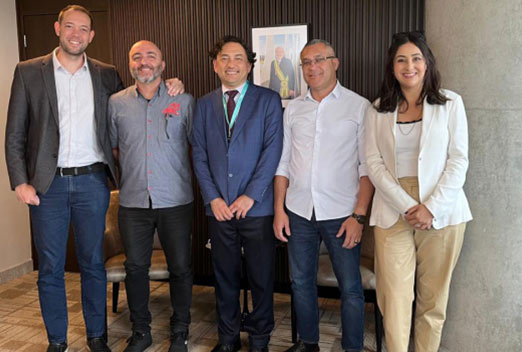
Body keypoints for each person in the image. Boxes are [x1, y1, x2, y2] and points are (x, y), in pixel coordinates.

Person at [4, 6, 182, 352]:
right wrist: (19, 181)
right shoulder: (28, 72)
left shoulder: (106, 74)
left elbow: (136, 102)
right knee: (51, 267)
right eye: (69, 26)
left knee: (93, 265)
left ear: (91, 35)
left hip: (92, 183)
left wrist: (172, 82)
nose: (76, 34)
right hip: (47, 186)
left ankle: (97, 337)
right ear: (58, 28)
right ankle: (57, 341)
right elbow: (14, 133)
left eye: (83, 29)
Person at [364, 31, 472, 352]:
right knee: (394, 296)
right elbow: (373, 163)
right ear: (392, 67)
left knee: (433, 299)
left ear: (426, 64)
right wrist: (408, 205)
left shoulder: (451, 103)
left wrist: (431, 207)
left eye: (415, 58)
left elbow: (458, 160)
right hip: (393, 207)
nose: (408, 66)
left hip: (443, 208)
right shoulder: (377, 109)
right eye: (401, 59)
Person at [273, 39, 373, 352]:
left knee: (351, 288)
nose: (313, 67)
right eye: (306, 62)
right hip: (299, 211)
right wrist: (279, 210)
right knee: (301, 282)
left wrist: (358, 215)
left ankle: (352, 347)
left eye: (320, 60)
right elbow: (283, 162)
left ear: (335, 62)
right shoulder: (293, 109)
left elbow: (367, 166)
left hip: (342, 214)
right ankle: (308, 342)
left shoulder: (358, 106)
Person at [191, 35, 283, 352]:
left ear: (249, 64)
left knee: (261, 279)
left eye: (238, 58)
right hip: (219, 210)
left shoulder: (268, 100)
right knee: (225, 279)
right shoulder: (202, 105)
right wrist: (213, 199)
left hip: (256, 209)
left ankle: (259, 340)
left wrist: (251, 196)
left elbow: (272, 152)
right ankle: (227, 339)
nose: (232, 64)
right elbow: (199, 156)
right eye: (225, 58)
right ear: (216, 65)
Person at [108, 40, 194, 352]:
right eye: (137, 57)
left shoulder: (183, 100)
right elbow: (115, 149)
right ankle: (141, 331)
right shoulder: (116, 103)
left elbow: (196, 146)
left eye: (151, 56)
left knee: (181, 267)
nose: (144, 62)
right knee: (135, 268)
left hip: (176, 201)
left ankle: (180, 330)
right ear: (130, 64)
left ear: (163, 64)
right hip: (133, 202)